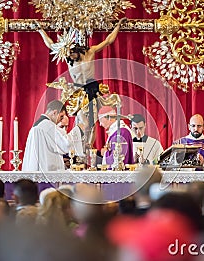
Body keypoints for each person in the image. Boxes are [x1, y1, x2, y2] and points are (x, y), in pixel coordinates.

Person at [37, 18, 126, 146]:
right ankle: (81, 148)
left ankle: (89, 147)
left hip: (92, 90)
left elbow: (108, 41)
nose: (69, 57)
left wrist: (118, 26)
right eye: (68, 55)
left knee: (93, 122)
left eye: (72, 54)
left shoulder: (90, 52)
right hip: (78, 92)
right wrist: (40, 30)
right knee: (82, 122)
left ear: (77, 50)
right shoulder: (68, 57)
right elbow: (51, 45)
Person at [22, 100, 86, 171]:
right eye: (61, 116)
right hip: (46, 172)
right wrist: (79, 129)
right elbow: (66, 144)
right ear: (55, 112)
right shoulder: (48, 125)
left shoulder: (37, 125)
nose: (60, 120)